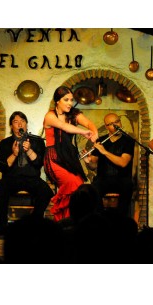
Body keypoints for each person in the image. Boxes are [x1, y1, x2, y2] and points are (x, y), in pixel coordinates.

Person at [43, 85, 98, 222]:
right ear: (58, 101)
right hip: (54, 157)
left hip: (68, 156)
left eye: (71, 100)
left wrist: (94, 132)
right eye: (66, 100)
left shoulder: (74, 114)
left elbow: (89, 123)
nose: (70, 103)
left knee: (78, 185)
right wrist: (83, 132)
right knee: (72, 182)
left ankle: (69, 220)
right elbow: (63, 126)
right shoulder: (50, 116)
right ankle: (63, 220)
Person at [0, 111, 54, 235]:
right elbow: (2, 167)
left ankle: (35, 221)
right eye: (16, 122)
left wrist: (30, 150)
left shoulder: (37, 141)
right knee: (0, 187)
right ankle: (2, 224)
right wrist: (14, 154)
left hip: (32, 178)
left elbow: (39, 163)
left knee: (46, 191)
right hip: (12, 178)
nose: (20, 124)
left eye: (22, 121)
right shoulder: (4, 143)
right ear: (11, 126)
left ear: (26, 125)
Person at [83, 113, 135, 218]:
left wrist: (104, 151)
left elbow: (123, 163)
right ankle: (100, 219)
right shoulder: (101, 141)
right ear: (106, 126)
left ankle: (120, 221)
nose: (116, 125)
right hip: (103, 179)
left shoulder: (128, 141)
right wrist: (87, 160)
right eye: (111, 124)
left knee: (128, 186)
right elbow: (93, 166)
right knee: (92, 189)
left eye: (117, 121)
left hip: (122, 179)